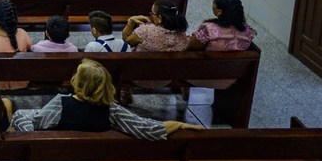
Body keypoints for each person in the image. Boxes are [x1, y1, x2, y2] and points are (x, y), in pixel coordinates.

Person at [11, 59, 203, 138]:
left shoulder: (60, 104)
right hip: (87, 159)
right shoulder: (112, 110)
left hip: (57, 159)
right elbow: (149, 128)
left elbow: (30, 120)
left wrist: (32, 139)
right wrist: (180, 124)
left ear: (80, 82)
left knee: (21, 112)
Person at [187, 0, 256, 51]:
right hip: (234, 66)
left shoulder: (209, 29)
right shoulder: (248, 32)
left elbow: (189, 45)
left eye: (214, 3)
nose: (212, 5)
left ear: (219, 11)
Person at [124, 0, 190, 50]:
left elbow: (125, 45)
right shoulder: (182, 35)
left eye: (152, 13)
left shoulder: (145, 32)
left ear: (159, 18)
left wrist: (130, 21)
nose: (151, 15)